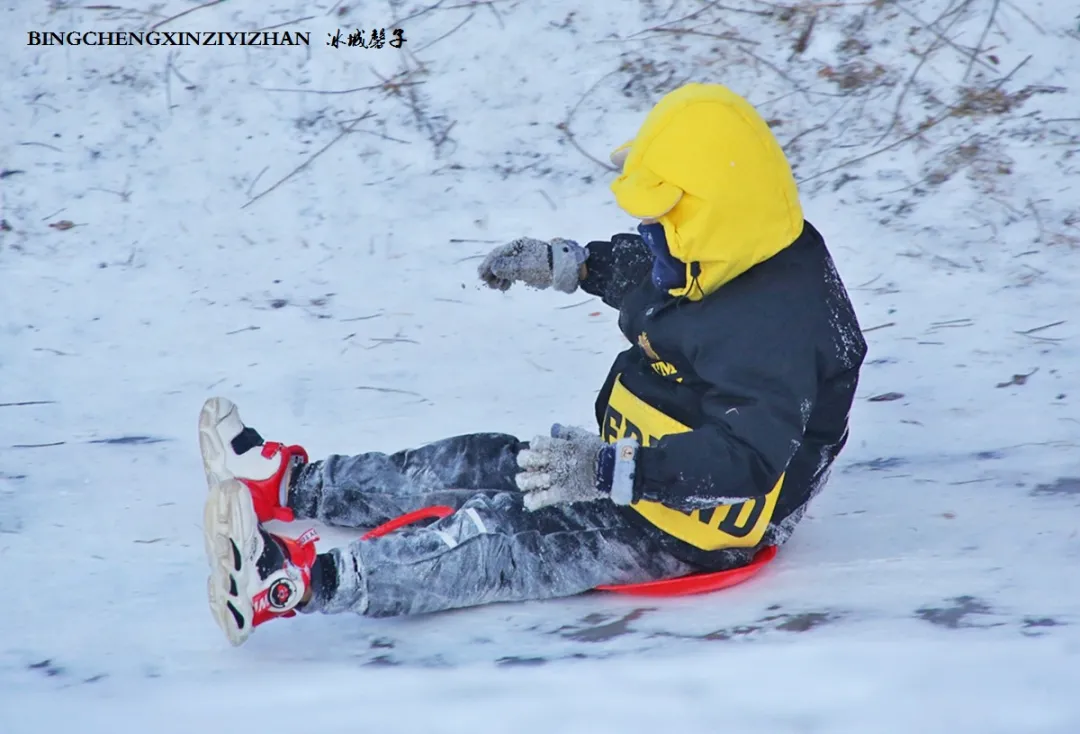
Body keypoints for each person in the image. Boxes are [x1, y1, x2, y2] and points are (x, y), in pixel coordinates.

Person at [200, 82, 867, 646]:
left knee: (503, 538)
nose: (648, 235)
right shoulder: (725, 249)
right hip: (637, 460)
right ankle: (293, 487)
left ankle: (291, 582)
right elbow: (663, 274)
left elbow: (746, 462)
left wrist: (610, 471)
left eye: (661, 222)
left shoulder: (780, 329)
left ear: (707, 224)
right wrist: (574, 265)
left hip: (695, 524)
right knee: (482, 460)